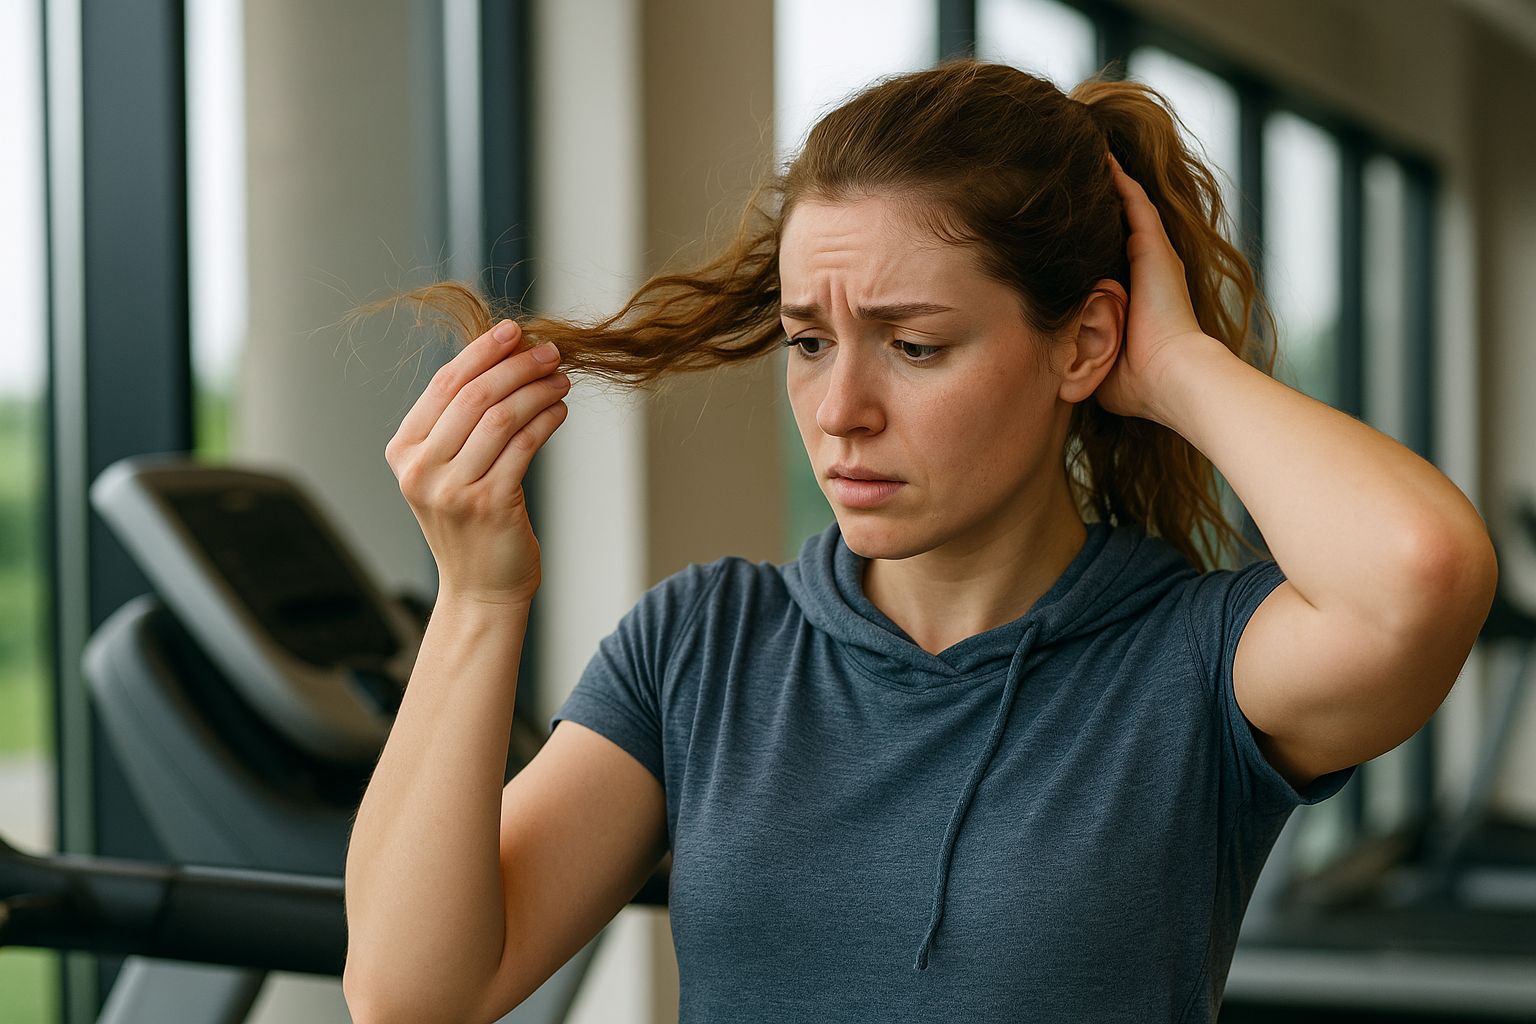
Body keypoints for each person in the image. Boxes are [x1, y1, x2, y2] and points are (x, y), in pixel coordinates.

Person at [340, 60, 1498, 1023]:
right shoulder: (703, 643)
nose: (840, 406)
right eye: (806, 340)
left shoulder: (1194, 664)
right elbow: (410, 995)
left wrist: (1180, 368)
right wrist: (478, 599)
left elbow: (1419, 574)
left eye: (917, 345)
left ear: (1084, 343)